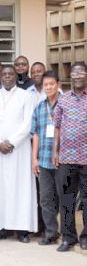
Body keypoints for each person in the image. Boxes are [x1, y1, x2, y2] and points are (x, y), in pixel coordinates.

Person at [0, 65, 37, 242]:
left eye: (10, 74)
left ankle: (22, 230)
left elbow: (28, 123)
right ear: (0, 77)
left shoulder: (26, 96)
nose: (6, 77)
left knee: (20, 188)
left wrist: (12, 142)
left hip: (19, 150)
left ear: (16, 76)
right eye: (4, 74)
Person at [52, 62, 87, 252]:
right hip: (66, 158)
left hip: (86, 158)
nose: (78, 75)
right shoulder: (63, 99)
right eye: (74, 73)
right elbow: (57, 127)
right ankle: (68, 237)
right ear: (71, 77)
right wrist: (55, 152)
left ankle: (85, 237)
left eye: (81, 72)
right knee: (66, 200)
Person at [31, 70, 61, 246]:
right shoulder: (40, 107)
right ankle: (51, 233)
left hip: (62, 160)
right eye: (46, 85)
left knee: (64, 197)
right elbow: (36, 134)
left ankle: (67, 232)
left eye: (51, 84)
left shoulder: (65, 105)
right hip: (43, 159)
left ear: (58, 84)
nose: (48, 87)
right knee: (45, 198)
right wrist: (34, 158)